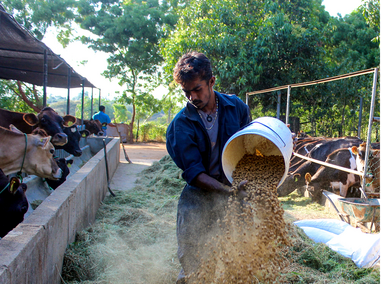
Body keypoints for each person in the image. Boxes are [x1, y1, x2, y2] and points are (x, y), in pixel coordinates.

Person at [166, 51, 251, 283]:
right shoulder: (180, 126)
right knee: (195, 266)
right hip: (198, 199)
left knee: (239, 259)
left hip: (234, 195)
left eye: (197, 89)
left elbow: (248, 147)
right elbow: (194, 173)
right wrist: (227, 192)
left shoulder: (237, 108)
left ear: (212, 81)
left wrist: (240, 187)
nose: (192, 97)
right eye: (186, 92)